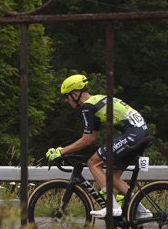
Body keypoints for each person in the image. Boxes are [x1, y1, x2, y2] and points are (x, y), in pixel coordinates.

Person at [46, 74, 150, 218]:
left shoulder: (88, 106)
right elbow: (93, 137)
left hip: (133, 134)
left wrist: (61, 151)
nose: (66, 100)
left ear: (75, 94)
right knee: (112, 177)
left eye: (67, 96)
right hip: (141, 133)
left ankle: (112, 207)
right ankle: (141, 211)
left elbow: (87, 140)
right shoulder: (96, 101)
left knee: (93, 163)